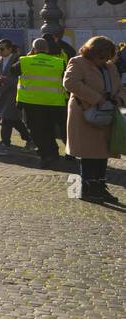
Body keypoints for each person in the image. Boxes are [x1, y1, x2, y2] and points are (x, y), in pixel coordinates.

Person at [63, 36, 124, 203]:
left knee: (103, 153)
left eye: (107, 58)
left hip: (106, 115)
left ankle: (100, 186)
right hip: (85, 114)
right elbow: (70, 83)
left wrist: (118, 98)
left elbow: (119, 87)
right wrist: (97, 98)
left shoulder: (110, 67)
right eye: (101, 57)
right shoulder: (78, 62)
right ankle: (87, 188)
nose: (103, 61)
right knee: (88, 153)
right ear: (92, 52)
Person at [15, 38, 66, 169]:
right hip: (54, 103)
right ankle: (54, 152)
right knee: (50, 129)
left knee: (37, 132)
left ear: (33, 49)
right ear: (47, 49)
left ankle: (45, 156)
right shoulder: (59, 62)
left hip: (32, 103)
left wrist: (29, 56)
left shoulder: (24, 61)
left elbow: (12, 71)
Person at [0, 39, 28, 157]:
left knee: (6, 120)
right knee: (14, 120)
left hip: (14, 94)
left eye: (2, 49)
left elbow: (22, 78)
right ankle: (29, 139)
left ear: (10, 49)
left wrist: (6, 80)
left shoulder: (18, 60)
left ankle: (5, 145)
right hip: (2, 95)